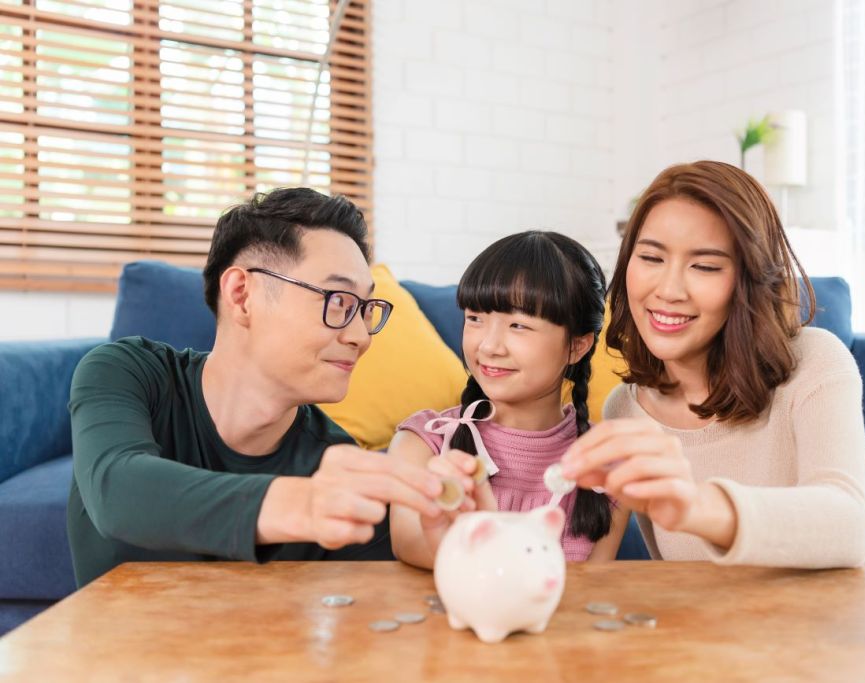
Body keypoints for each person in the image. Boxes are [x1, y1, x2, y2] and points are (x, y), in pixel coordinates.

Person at [67, 188, 445, 586]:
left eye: (365, 309)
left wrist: (445, 540)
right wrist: (298, 505)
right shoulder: (129, 373)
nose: (361, 336)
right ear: (242, 295)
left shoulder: (333, 463)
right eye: (338, 301)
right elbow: (118, 491)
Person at [559, 161, 865, 574]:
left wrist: (696, 504)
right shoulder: (626, 410)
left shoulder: (814, 362)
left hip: (858, 623)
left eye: (704, 266)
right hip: (734, 632)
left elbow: (848, 525)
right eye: (651, 257)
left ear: (749, 279)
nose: (668, 290)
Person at [389, 231, 630, 567]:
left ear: (577, 345)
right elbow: (408, 544)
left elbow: (595, 593)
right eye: (475, 318)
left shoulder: (607, 468)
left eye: (518, 325)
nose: (488, 346)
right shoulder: (423, 442)